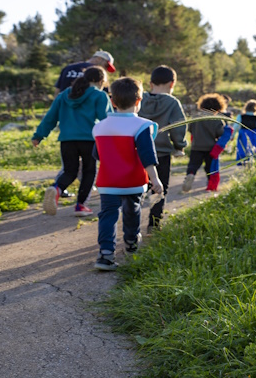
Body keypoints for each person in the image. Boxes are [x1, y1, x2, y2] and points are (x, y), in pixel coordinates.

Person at [92, 77, 163, 271]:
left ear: (112, 101)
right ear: (139, 101)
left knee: (107, 215)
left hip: (108, 181)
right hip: (132, 181)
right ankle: (131, 242)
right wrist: (155, 179)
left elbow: (97, 154)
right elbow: (147, 155)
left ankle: (105, 254)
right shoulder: (141, 126)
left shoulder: (99, 127)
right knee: (132, 210)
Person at [32, 67, 110, 217]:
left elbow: (51, 117)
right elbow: (107, 119)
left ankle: (57, 189)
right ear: (101, 81)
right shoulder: (99, 96)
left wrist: (38, 136)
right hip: (89, 141)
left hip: (67, 140)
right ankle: (81, 206)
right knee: (89, 172)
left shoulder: (64, 95)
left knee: (70, 171)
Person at [51, 51, 116, 198]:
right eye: (106, 65)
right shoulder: (97, 76)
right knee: (89, 168)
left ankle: (58, 187)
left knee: (69, 166)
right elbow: (104, 113)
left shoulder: (68, 69)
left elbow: (57, 92)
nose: (105, 69)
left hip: (68, 123)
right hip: (89, 130)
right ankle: (82, 197)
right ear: (99, 59)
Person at [138, 65, 187, 232]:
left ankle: (132, 222)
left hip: (137, 151)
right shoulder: (172, 102)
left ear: (151, 84)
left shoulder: (140, 98)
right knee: (160, 188)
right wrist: (179, 145)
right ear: (172, 84)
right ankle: (154, 223)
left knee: (137, 187)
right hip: (161, 152)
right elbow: (178, 126)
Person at [183, 93, 227, 193]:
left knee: (193, 164)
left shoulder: (196, 117)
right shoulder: (217, 119)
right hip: (210, 148)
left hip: (196, 146)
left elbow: (190, 129)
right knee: (209, 167)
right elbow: (220, 133)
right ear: (218, 108)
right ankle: (210, 184)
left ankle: (190, 174)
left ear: (202, 105)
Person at [233, 99, 256, 165]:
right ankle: (254, 160)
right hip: (254, 134)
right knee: (254, 148)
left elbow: (236, 126)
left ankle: (243, 161)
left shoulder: (240, 116)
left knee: (243, 148)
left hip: (243, 134)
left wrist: (232, 135)